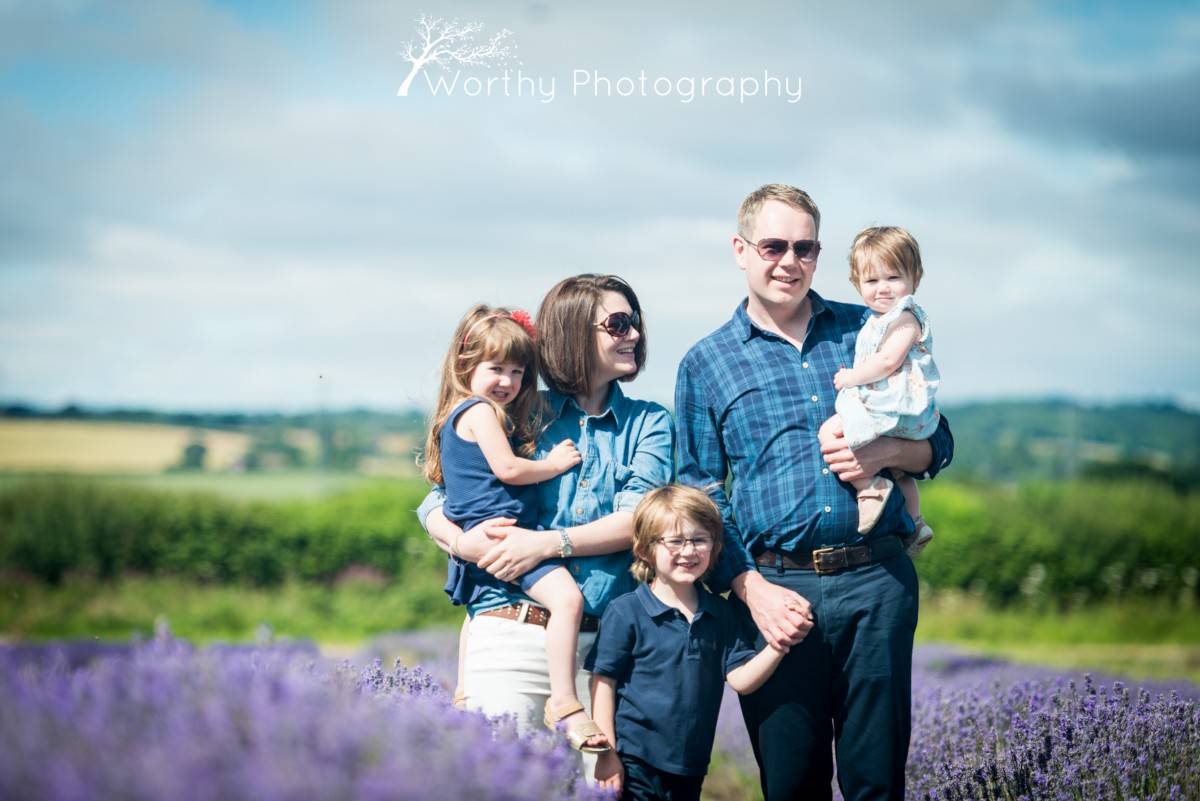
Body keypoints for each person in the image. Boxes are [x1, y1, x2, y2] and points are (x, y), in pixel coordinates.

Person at [675, 184, 954, 801]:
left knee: (876, 782)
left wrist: (888, 454)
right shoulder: (707, 362)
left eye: (805, 248)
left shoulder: (869, 329)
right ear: (741, 250)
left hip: (875, 585)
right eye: (774, 246)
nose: (789, 261)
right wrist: (750, 589)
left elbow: (939, 439)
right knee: (792, 784)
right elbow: (698, 493)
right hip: (777, 592)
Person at [416, 274, 674, 750]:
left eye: (634, 321)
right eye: (618, 324)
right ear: (575, 332)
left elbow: (639, 520)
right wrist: (461, 542)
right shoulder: (523, 409)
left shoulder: (650, 423)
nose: (634, 335)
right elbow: (438, 498)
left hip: (603, 653)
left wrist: (545, 543)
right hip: (508, 629)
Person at [422, 303, 607, 752]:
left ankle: (464, 690)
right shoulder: (481, 412)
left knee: (474, 611)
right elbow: (506, 468)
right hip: (503, 534)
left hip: (482, 533)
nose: (507, 382)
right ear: (467, 365)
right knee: (568, 599)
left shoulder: (458, 414)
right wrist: (553, 464)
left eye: (519, 372)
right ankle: (564, 700)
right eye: (496, 369)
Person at [587, 485, 786, 801]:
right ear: (645, 550)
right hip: (633, 761)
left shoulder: (719, 612)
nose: (688, 550)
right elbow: (603, 684)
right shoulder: (626, 611)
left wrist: (779, 644)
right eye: (675, 541)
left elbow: (741, 679)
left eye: (698, 539)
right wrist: (606, 753)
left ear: (715, 547)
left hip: (691, 766)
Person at [820, 226, 941, 555]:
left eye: (893, 278)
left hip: (893, 407)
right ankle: (915, 524)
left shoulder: (905, 317)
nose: (883, 289)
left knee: (830, 430)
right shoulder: (875, 320)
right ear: (857, 283)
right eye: (872, 281)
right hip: (896, 411)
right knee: (902, 474)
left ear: (915, 277)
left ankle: (869, 487)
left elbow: (888, 360)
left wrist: (852, 377)